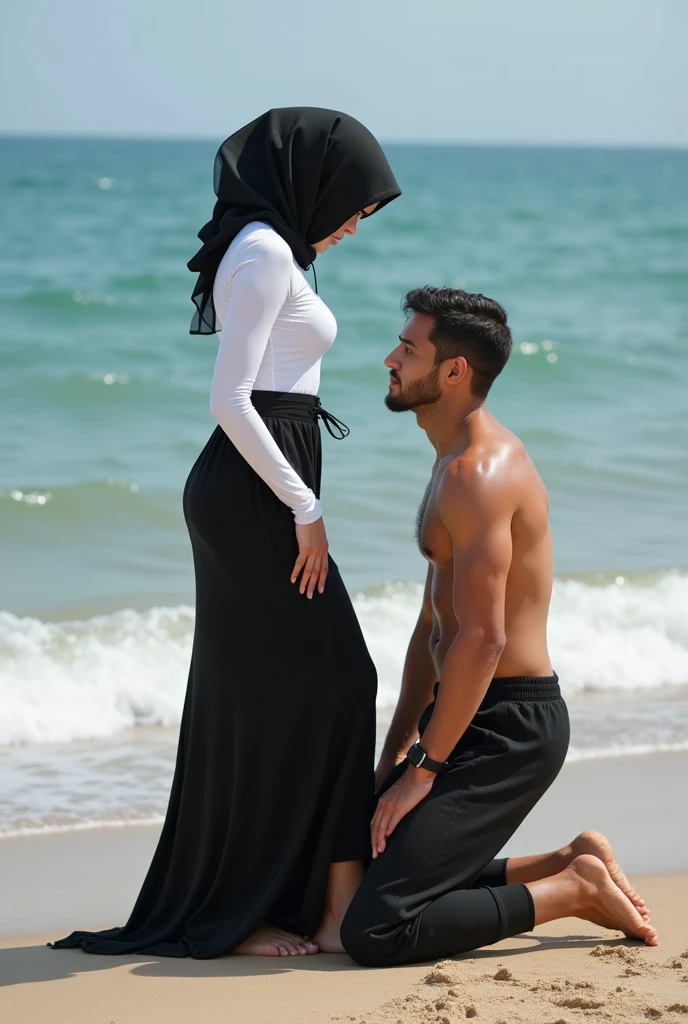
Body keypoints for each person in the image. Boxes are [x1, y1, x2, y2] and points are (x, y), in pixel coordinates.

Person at [51, 107, 401, 959]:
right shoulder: (265, 252)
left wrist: (300, 497)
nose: (356, 223)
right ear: (315, 183)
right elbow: (230, 399)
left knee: (271, 694)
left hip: (263, 485)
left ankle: (288, 901)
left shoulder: (280, 248)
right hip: (254, 496)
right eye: (354, 203)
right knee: (341, 679)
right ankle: (264, 909)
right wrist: (305, 509)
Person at [340, 286, 658, 967]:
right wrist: (398, 748)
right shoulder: (447, 460)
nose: (389, 358)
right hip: (460, 712)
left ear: (453, 372)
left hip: (510, 727)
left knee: (375, 929)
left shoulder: (480, 473)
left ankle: (571, 891)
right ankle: (569, 858)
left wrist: (425, 771)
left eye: (409, 348)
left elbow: (482, 640)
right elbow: (434, 624)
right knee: (362, 869)